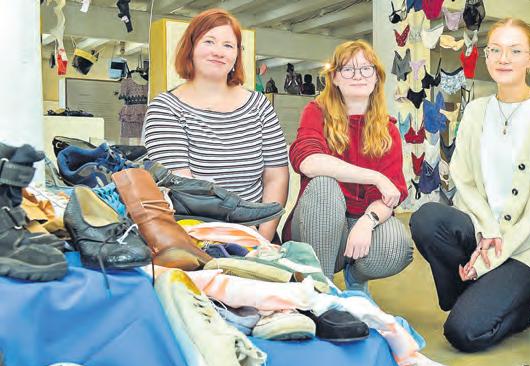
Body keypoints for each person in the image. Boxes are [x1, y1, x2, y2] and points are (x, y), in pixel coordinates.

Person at [409, 18, 530, 353]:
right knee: (427, 218)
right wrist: (487, 230)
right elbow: (464, 178)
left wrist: (491, 257)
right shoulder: (476, 111)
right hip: (485, 233)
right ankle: (476, 295)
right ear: (486, 56)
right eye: (495, 50)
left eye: (515, 51)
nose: (503, 58)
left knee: (463, 333)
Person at [142, 9, 289, 241]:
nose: (218, 52)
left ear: (237, 55)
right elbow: (187, 193)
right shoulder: (166, 108)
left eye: (228, 45)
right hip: (194, 236)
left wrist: (263, 238)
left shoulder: (259, 105)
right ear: (190, 48)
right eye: (209, 41)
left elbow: (276, 177)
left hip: (258, 234)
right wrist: (236, 240)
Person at [285, 40, 413, 294]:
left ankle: (355, 278)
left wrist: (368, 220)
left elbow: (390, 196)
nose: (358, 76)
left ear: (376, 77)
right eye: (348, 69)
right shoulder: (316, 112)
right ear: (334, 78)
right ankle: (321, 290)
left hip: (360, 219)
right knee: (324, 185)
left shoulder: (388, 129)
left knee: (395, 246)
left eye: (366, 69)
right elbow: (308, 161)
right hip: (316, 220)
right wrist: (375, 177)